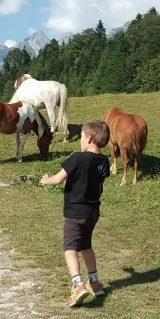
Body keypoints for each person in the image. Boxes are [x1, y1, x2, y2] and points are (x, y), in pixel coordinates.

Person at [40, 120, 111, 307]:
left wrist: (46, 181)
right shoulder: (104, 161)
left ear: (89, 138)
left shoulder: (77, 158)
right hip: (92, 212)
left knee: (70, 247)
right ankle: (94, 282)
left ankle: (78, 285)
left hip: (75, 212)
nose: (80, 140)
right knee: (86, 245)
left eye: (80, 136)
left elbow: (58, 179)